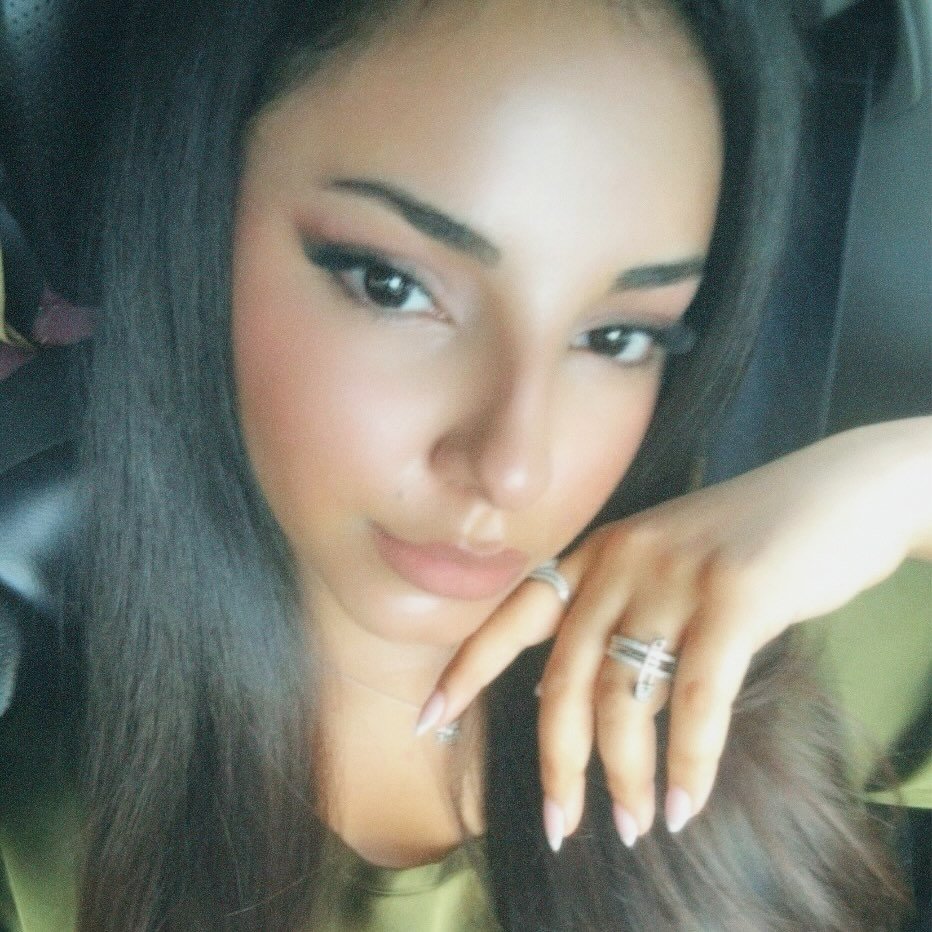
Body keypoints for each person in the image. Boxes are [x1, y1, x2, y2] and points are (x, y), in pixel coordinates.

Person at [0, 0, 928, 929]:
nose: (512, 471)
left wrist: (900, 480)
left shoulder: (740, 635)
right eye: (392, 286)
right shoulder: (38, 779)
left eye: (618, 337)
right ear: (195, 223)